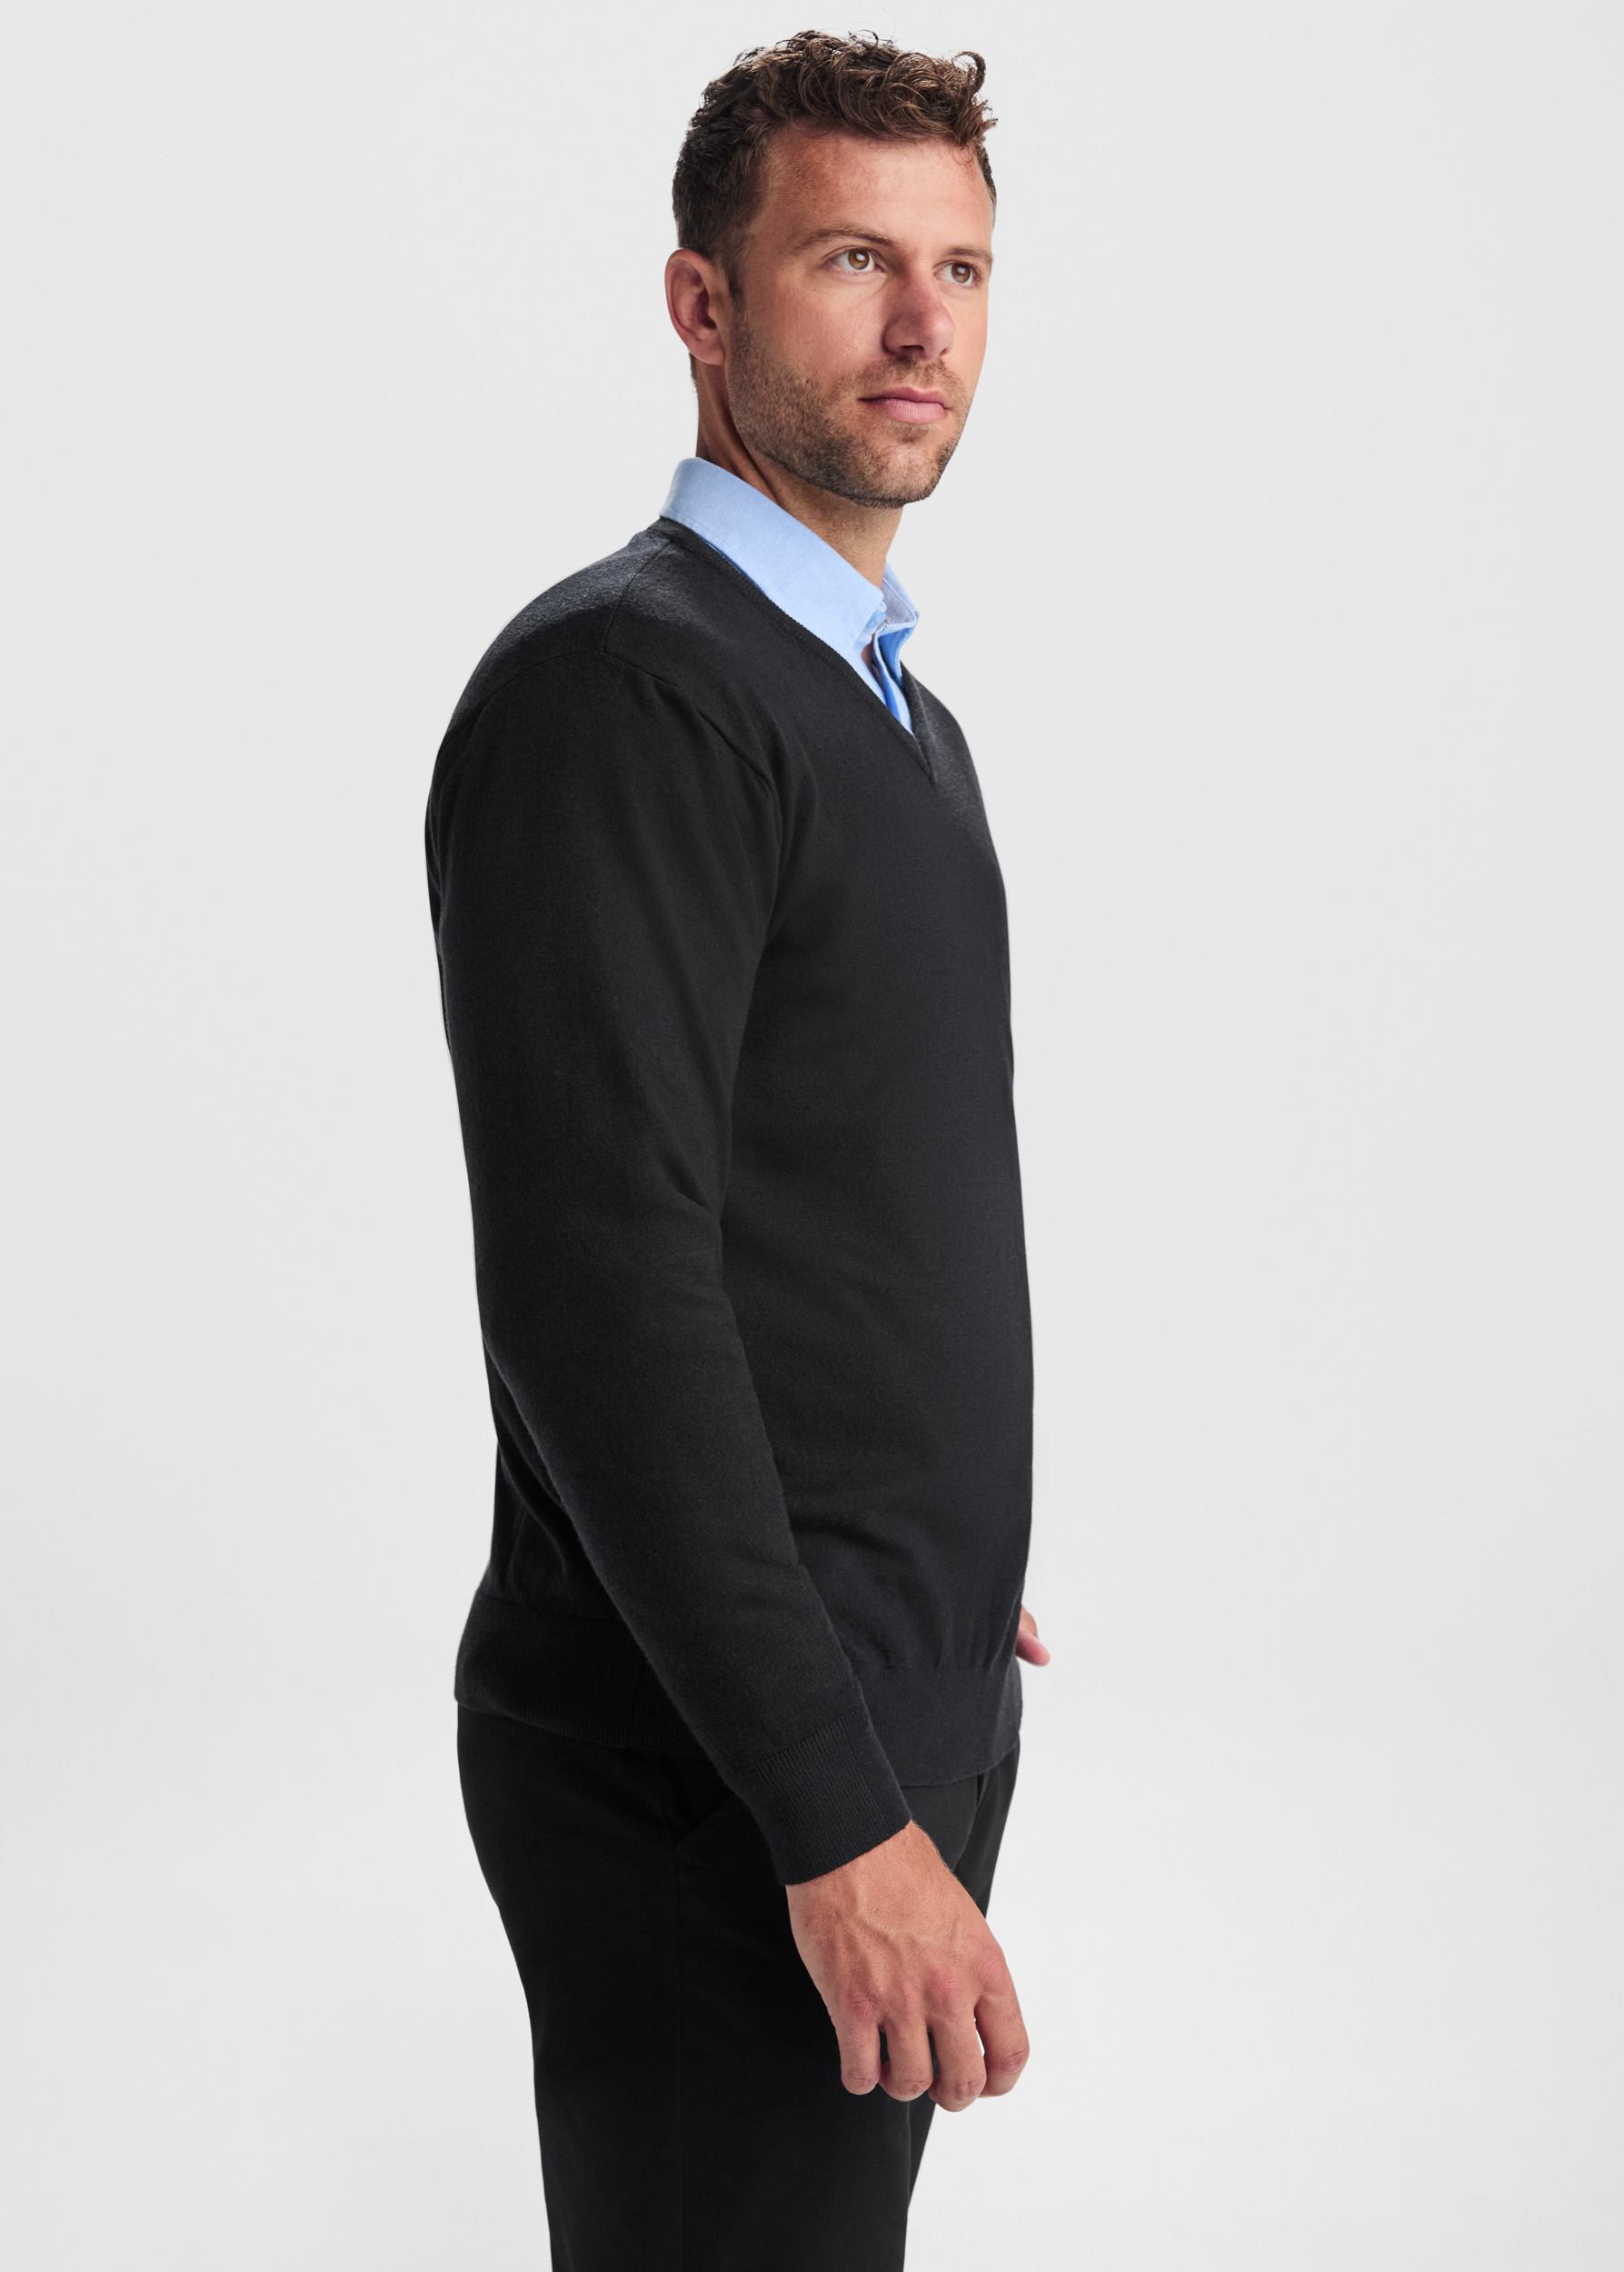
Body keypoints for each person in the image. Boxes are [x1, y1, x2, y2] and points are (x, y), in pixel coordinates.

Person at [426, 31, 1046, 2268]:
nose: (919, 325)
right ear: (703, 304)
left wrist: (928, 1510)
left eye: (959, 269)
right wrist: (828, 1800)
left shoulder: (883, 705)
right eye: (851, 259)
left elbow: (820, 1192)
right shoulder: (631, 688)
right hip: (724, 1772)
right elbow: (601, 1284)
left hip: (860, 1696)